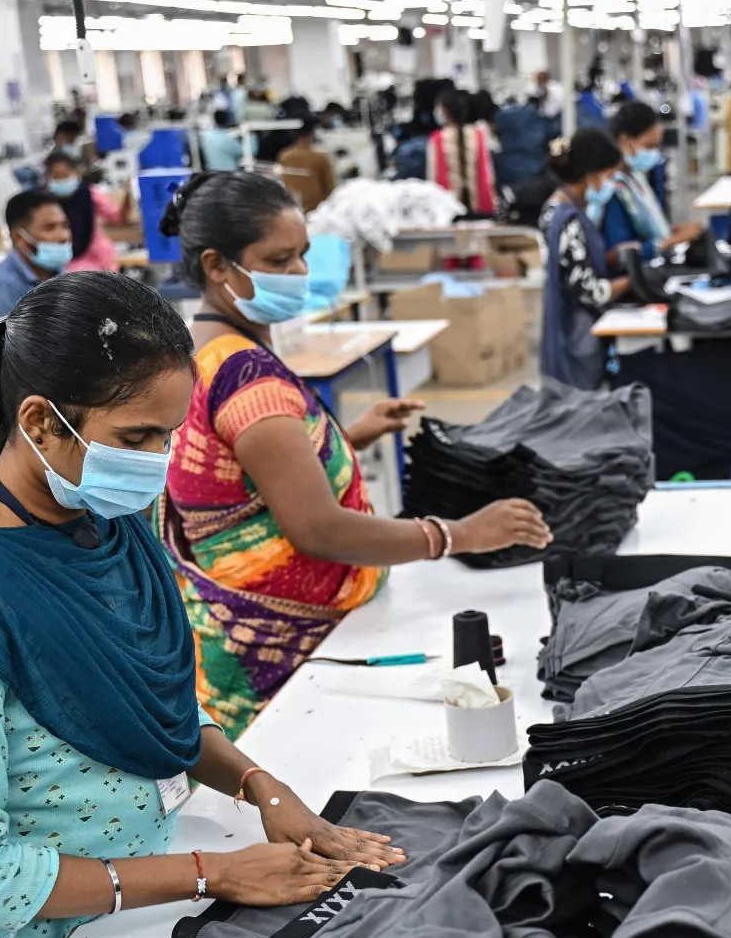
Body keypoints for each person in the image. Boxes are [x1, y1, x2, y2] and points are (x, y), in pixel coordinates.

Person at [0, 271, 404, 938]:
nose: (160, 463)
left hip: (144, 935)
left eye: (168, 436)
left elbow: (160, 712)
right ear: (41, 421)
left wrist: (262, 786)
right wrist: (213, 875)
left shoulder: (112, 534)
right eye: (139, 436)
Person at [158, 173, 551, 734]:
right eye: (279, 259)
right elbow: (320, 530)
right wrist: (459, 534)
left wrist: (347, 436)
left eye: (303, 256)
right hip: (287, 654)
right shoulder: (248, 377)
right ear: (218, 266)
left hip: (233, 632)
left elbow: (244, 469)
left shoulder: (201, 350)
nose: (300, 274)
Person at [538, 129, 631, 391]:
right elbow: (590, 291)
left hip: (575, 331)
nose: (611, 184)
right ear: (591, 175)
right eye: (610, 176)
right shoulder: (566, 220)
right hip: (578, 337)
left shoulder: (564, 209)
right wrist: (631, 281)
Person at [600, 100, 705, 261]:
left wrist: (674, 231)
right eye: (649, 146)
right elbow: (619, 253)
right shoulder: (613, 190)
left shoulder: (635, 180)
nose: (654, 153)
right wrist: (671, 241)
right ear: (625, 140)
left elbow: (648, 229)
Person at [0, 190, 72, 323]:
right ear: (19, 237)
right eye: (49, 228)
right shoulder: (4, 290)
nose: (64, 236)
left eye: (65, 226)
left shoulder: (54, 272)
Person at [43, 151, 124, 273]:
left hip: (98, 256)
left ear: (76, 172)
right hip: (63, 258)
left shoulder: (89, 194)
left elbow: (116, 216)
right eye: (56, 177)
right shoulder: (44, 203)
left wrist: (128, 195)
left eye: (65, 175)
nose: (61, 181)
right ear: (47, 177)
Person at [429, 89, 496, 217]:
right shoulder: (479, 135)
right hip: (481, 207)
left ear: (444, 112)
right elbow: (488, 173)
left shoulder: (437, 139)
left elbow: (433, 178)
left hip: (448, 210)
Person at [276, 117, 335, 212]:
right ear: (312, 134)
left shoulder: (284, 156)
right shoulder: (320, 158)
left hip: (292, 207)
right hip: (316, 209)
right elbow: (329, 188)